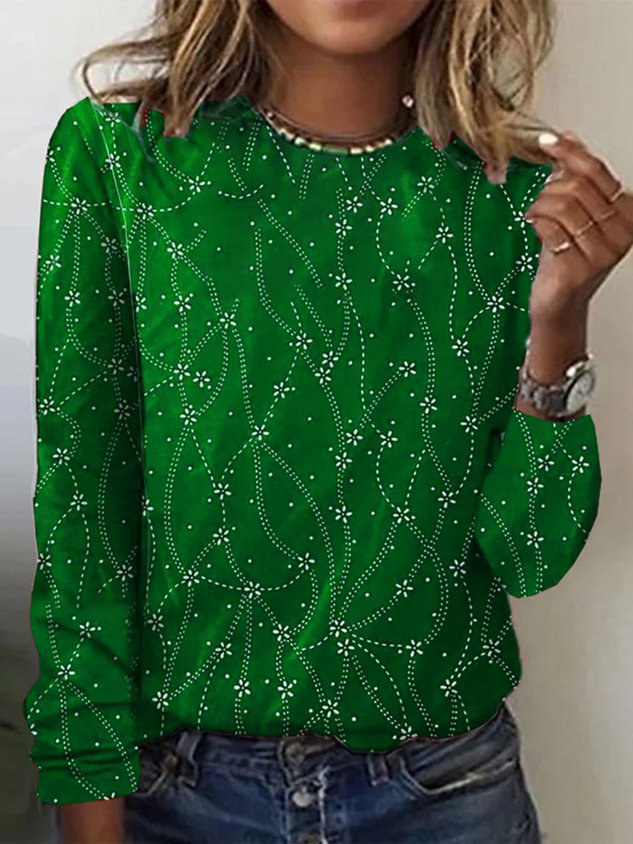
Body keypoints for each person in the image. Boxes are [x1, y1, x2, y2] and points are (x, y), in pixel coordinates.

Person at [23, 0, 632, 842]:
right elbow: (82, 505)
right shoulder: (123, 156)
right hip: (176, 789)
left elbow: (528, 554)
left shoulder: (520, 195)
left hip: (444, 791)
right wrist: (86, 787)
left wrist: (559, 320)